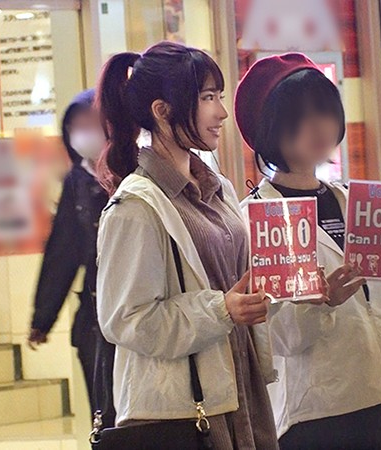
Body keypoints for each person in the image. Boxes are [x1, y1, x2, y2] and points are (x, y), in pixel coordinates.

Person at [234, 52, 381, 450]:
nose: (318, 125)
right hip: (319, 412)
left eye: (324, 110)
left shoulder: (360, 202)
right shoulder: (258, 219)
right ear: (269, 129)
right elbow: (276, 338)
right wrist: (325, 302)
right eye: (298, 116)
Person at [95, 41, 278, 449]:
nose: (222, 112)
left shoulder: (218, 188)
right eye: (208, 98)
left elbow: (239, 286)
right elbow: (127, 319)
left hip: (241, 390)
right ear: (162, 111)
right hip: (183, 412)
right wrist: (221, 310)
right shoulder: (136, 206)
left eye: (219, 96)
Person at [27, 89, 116, 426]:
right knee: (104, 418)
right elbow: (62, 252)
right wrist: (43, 318)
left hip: (137, 315)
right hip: (94, 319)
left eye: (90, 123)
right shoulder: (77, 182)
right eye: (75, 127)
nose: (83, 133)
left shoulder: (132, 173)